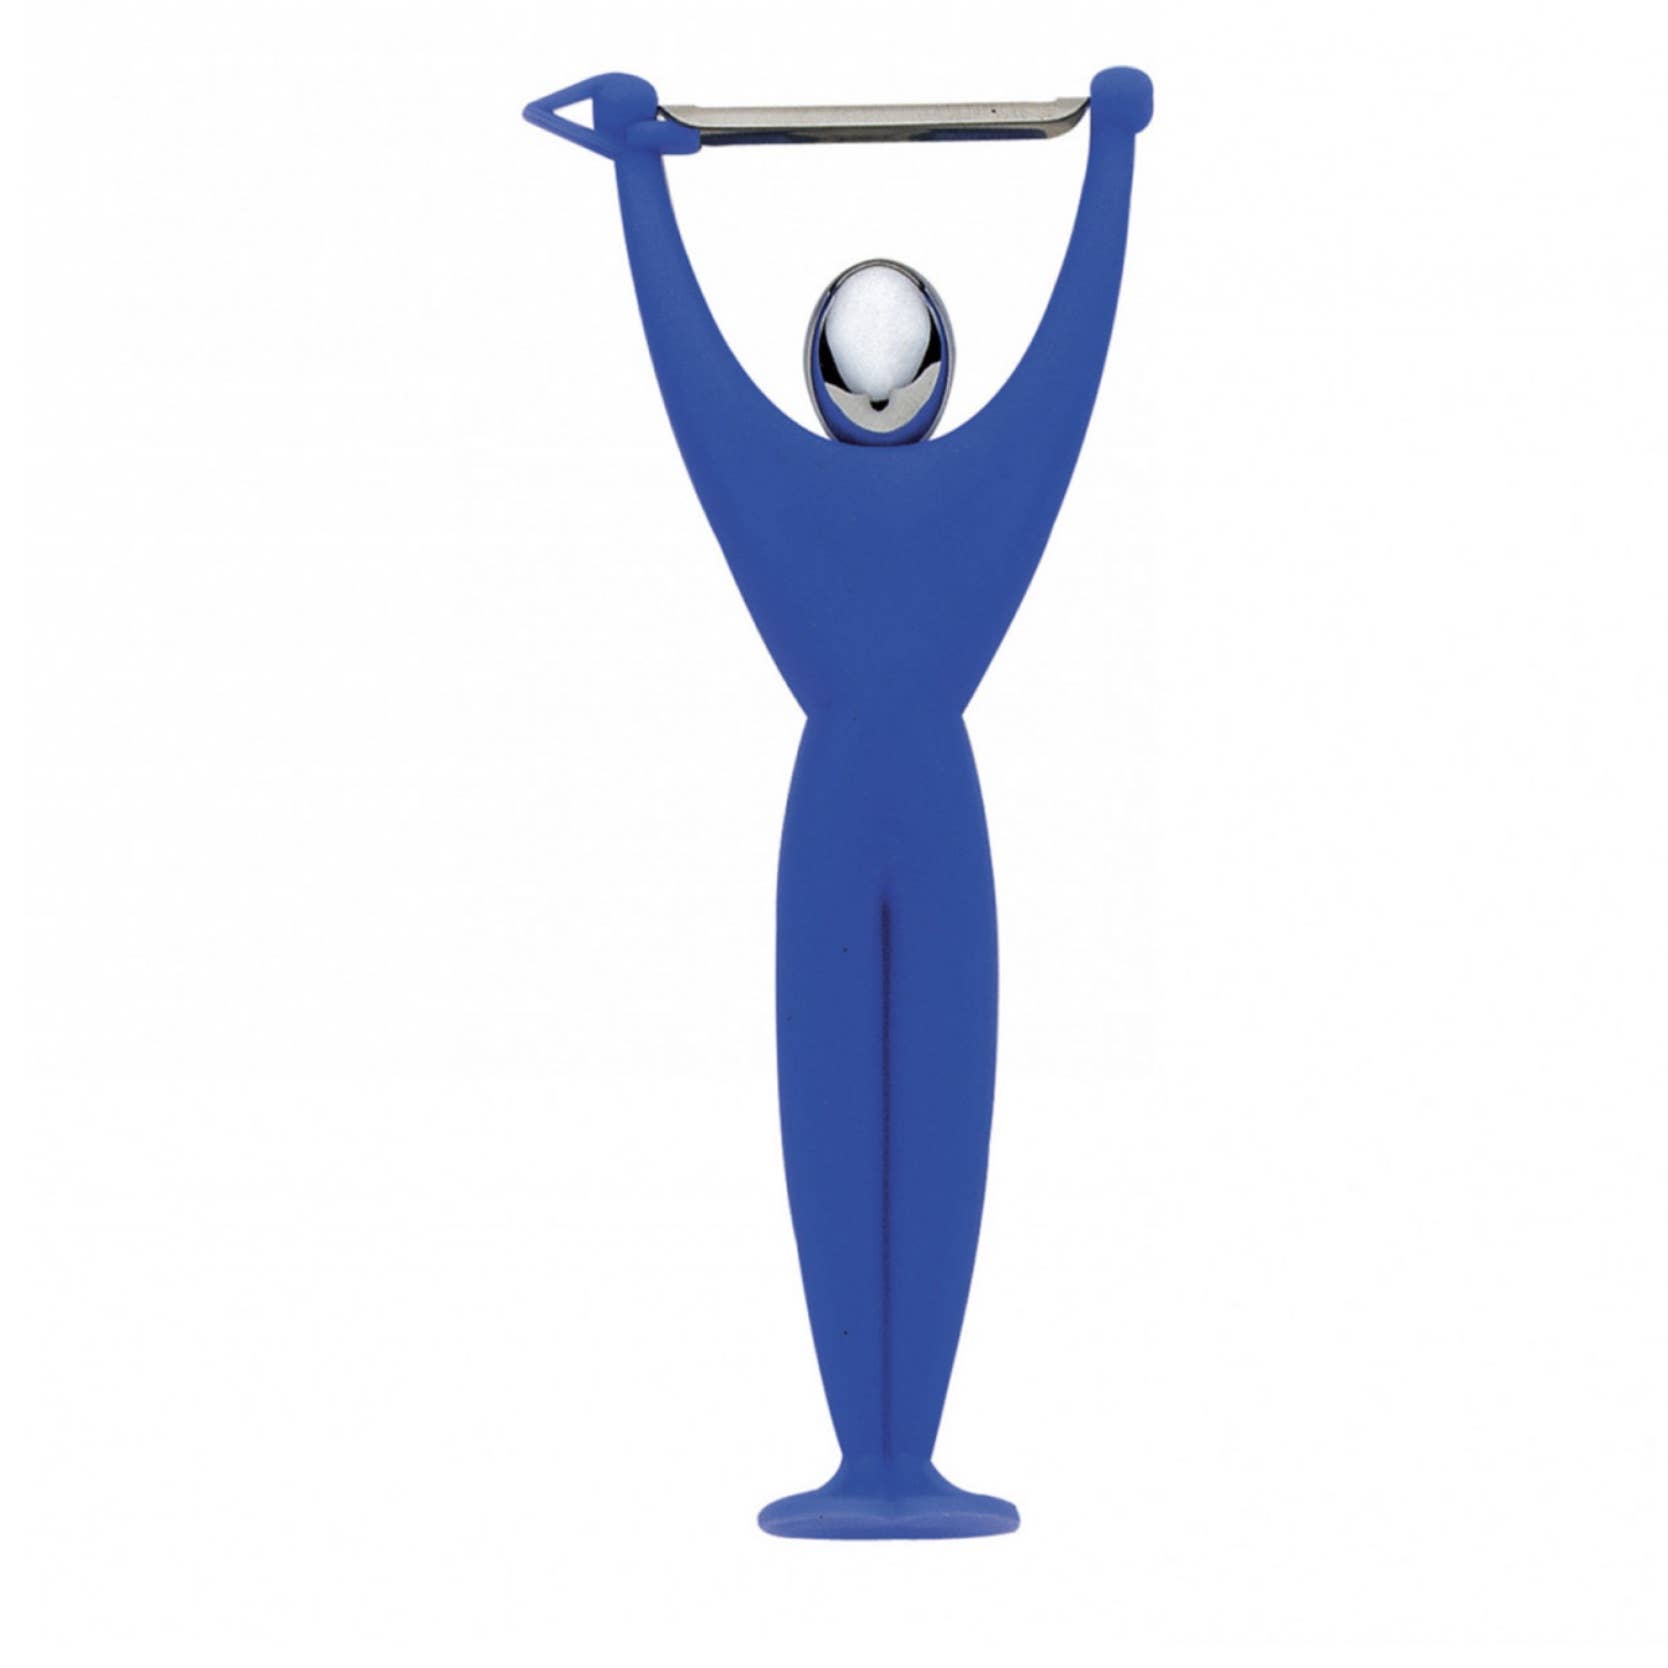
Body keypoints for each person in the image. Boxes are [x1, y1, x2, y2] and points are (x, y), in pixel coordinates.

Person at [527, 67, 1152, 1536]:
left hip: (848, 813)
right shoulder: (989, 481)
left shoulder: (780, 486)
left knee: (882, 1113)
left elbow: (686, 354)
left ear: (824, 383)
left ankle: (889, 1464)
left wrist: (641, 182)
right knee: (905, 1112)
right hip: (929, 809)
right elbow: (1076, 341)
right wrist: (1109, 160)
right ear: (931, 379)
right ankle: (883, 1464)